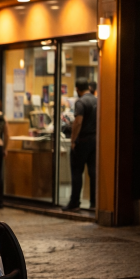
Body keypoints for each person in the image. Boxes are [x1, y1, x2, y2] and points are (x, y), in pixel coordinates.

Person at [64, 78, 97, 211]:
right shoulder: (96, 100)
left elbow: (78, 122)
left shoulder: (81, 102)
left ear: (77, 89)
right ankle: (94, 203)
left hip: (82, 141)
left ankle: (74, 203)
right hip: (95, 141)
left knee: (77, 171)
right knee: (93, 172)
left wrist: (73, 140)